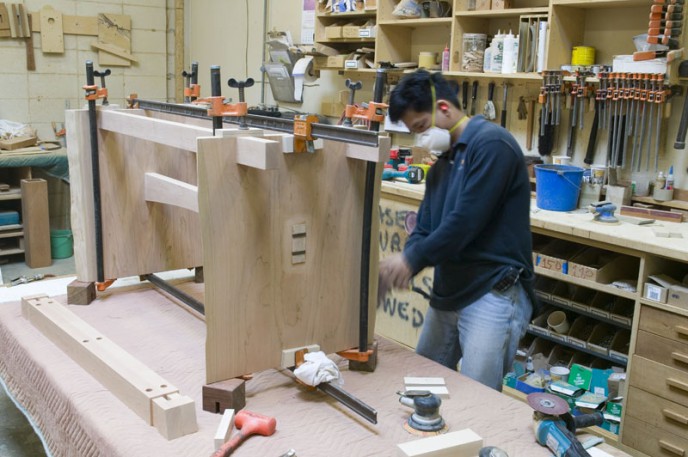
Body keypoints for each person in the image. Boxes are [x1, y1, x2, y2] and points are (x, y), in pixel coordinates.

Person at [379, 69, 535, 391]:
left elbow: (464, 224)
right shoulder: (442, 166)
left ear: (444, 109)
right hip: (451, 290)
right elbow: (424, 227)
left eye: (421, 127)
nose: (420, 138)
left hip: (492, 290)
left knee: (476, 399)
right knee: (421, 389)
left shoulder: (492, 145)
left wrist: (410, 261)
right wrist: (408, 257)